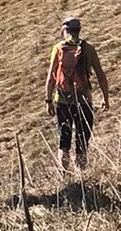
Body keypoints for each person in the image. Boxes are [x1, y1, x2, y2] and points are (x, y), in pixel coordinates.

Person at [45, 17, 110, 179]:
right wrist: (105, 98)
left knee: (64, 142)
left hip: (62, 101)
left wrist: (48, 100)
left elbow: (51, 77)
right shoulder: (88, 49)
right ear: (79, 30)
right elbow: (100, 75)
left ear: (64, 31)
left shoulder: (58, 48)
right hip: (84, 101)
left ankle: (64, 177)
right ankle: (82, 177)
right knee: (82, 142)